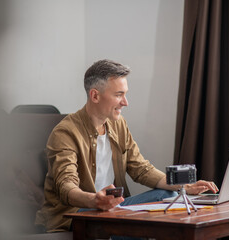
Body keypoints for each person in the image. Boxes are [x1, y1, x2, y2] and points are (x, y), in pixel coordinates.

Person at [35, 59, 218, 233]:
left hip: (112, 208)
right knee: (156, 203)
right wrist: (95, 200)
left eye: (125, 94)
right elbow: (66, 186)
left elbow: (140, 169)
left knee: (169, 196)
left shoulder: (118, 124)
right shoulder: (65, 133)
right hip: (75, 215)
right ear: (95, 95)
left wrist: (183, 186)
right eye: (119, 94)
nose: (125, 102)